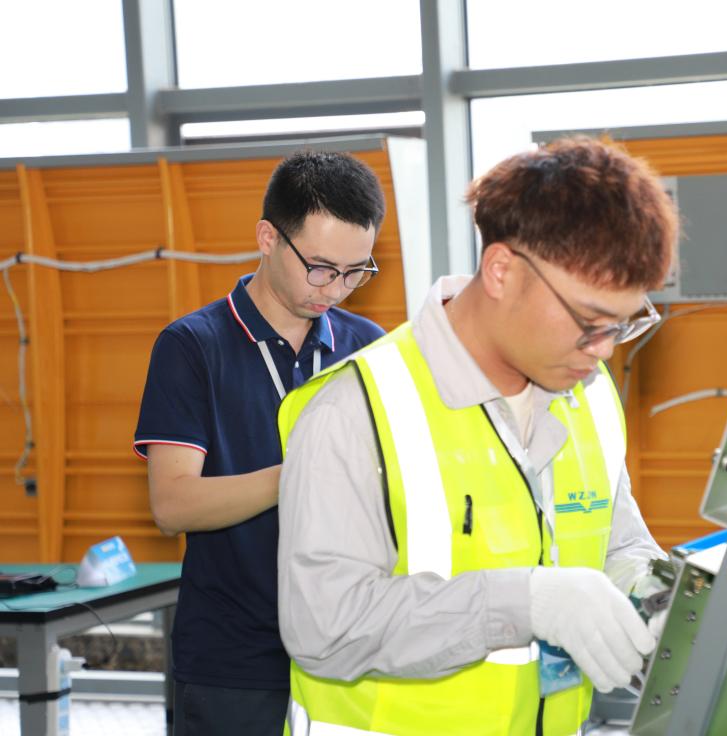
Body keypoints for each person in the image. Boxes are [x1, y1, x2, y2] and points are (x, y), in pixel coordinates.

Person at [277, 136, 678, 736]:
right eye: (589, 322)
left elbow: (618, 547)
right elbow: (325, 626)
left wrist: (655, 598)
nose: (603, 351)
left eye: (623, 325)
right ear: (501, 271)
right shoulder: (355, 409)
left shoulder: (590, 397)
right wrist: (526, 602)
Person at [134, 150, 387, 736]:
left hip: (347, 648)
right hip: (235, 659)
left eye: (356, 272)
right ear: (268, 238)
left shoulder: (369, 347)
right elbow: (173, 504)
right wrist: (305, 472)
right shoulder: (192, 346)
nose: (336, 289)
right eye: (321, 268)